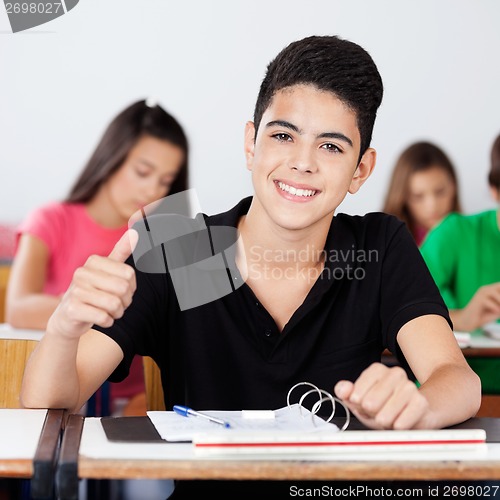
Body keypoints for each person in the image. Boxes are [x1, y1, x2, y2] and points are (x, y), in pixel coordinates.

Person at [20, 35, 480, 498]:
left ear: (361, 170)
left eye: (332, 148)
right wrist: (63, 326)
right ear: (250, 143)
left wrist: (418, 406)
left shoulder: (379, 246)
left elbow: (458, 380)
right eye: (283, 136)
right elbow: (49, 401)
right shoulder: (181, 245)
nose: (302, 163)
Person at [420, 133, 500, 394]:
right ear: (494, 189)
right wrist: (464, 317)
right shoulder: (454, 233)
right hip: (459, 396)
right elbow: (392, 309)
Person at [382, 141, 461, 246]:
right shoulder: (386, 245)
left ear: (453, 186)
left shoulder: (470, 237)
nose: (432, 205)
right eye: (418, 196)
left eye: (440, 191)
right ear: (402, 198)